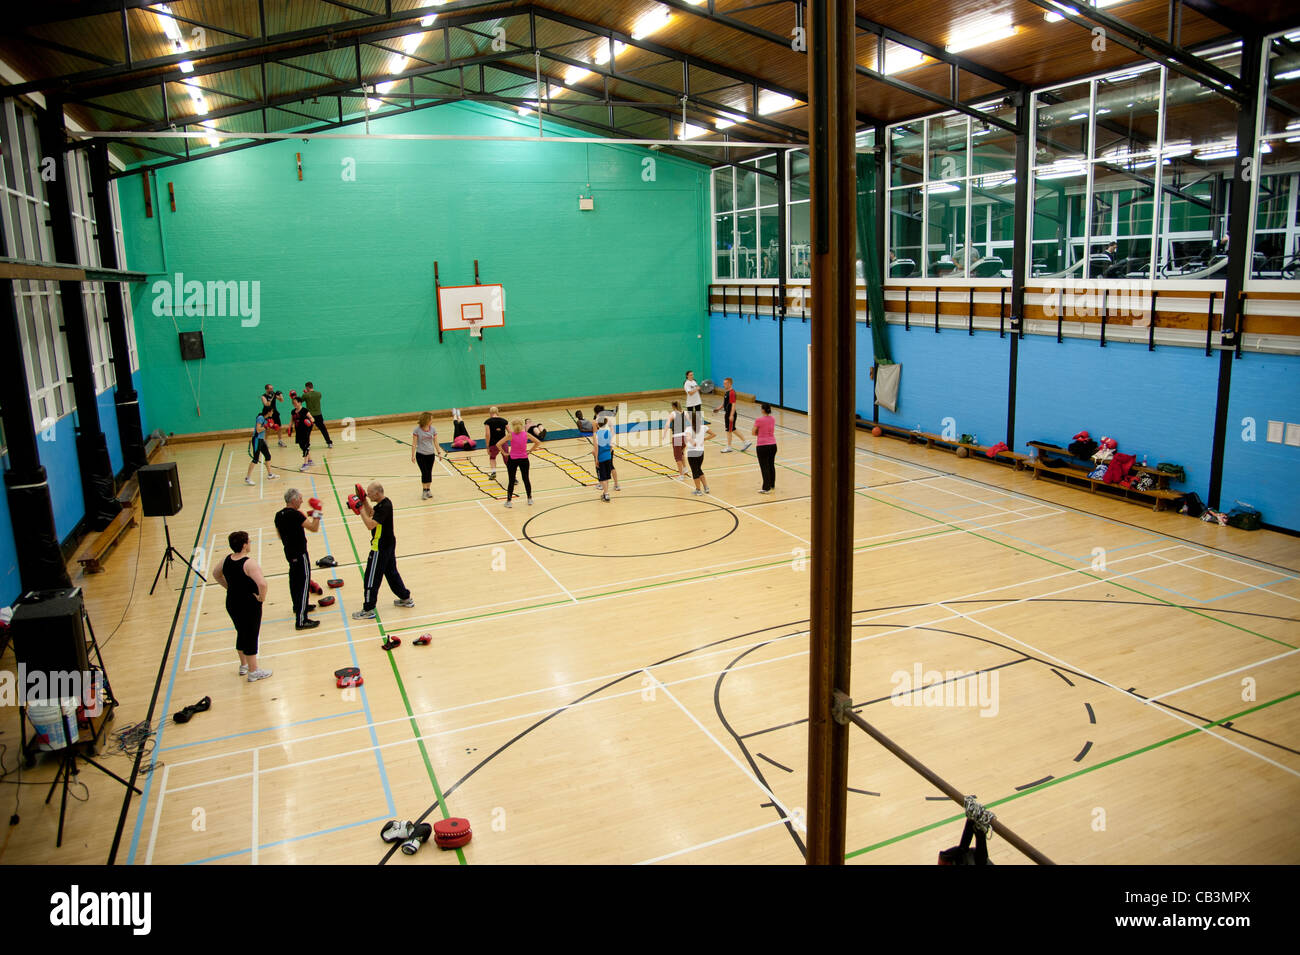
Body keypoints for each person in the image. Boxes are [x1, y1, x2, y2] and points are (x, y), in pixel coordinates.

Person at [210, 530, 272, 682]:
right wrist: (261, 598)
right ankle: (253, 671)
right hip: (248, 604)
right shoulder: (249, 563)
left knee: (241, 631)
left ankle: (244, 665)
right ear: (244, 545)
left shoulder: (226, 559)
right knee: (251, 634)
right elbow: (262, 584)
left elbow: (216, 574)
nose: (250, 543)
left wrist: (229, 587)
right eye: (249, 541)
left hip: (232, 602)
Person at [352, 482, 414, 619]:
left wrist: (359, 508)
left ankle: (368, 610)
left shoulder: (385, 506)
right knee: (391, 573)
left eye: (369, 493)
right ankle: (405, 598)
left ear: (377, 493)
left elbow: (370, 524)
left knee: (371, 578)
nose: (368, 495)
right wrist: (364, 502)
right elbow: (372, 513)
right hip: (388, 544)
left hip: (379, 547)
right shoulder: (384, 503)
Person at [274, 488, 322, 630]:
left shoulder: (278, 515)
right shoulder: (296, 515)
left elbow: (279, 534)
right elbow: (314, 528)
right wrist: (317, 513)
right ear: (293, 500)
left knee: (294, 581)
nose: (302, 500)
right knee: (304, 583)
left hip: (289, 552)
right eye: (300, 498)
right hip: (300, 553)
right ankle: (301, 620)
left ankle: (299, 606)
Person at [499, 419, 541, 507]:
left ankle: (509, 501)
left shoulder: (510, 435)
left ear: (513, 426)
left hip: (512, 459)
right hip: (524, 459)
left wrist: (504, 453)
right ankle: (529, 499)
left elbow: (498, 444)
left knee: (511, 480)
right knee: (526, 479)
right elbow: (538, 442)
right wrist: (530, 451)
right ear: (522, 425)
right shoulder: (526, 434)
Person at [714, 377, 753, 454]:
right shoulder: (727, 392)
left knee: (729, 430)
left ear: (730, 384)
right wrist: (719, 408)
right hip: (727, 413)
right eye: (724, 383)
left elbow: (733, 405)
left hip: (730, 414)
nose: (724, 384)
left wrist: (731, 415)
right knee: (732, 429)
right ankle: (746, 442)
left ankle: (729, 447)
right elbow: (725, 403)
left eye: (725, 383)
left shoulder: (732, 393)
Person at [411, 412, 444, 500]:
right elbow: (414, 443)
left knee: (429, 472)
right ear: (426, 420)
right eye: (431, 419)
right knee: (424, 472)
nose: (432, 421)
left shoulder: (433, 429)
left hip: (430, 454)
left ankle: (428, 489)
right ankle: (424, 490)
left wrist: (439, 453)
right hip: (420, 454)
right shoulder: (417, 430)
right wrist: (412, 455)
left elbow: (435, 442)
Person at [244, 412, 281, 485]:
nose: (272, 413)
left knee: (267, 456)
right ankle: (248, 478)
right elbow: (258, 429)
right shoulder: (260, 418)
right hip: (257, 439)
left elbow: (265, 429)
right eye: (272, 411)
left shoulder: (266, 419)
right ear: (269, 412)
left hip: (261, 440)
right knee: (255, 459)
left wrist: (273, 426)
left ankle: (270, 474)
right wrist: (266, 426)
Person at [684, 419, 716, 496]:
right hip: (701, 452)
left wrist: (692, 442)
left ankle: (698, 490)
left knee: (695, 471)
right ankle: (706, 487)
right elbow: (713, 434)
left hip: (692, 453)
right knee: (698, 469)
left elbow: (689, 440)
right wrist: (704, 439)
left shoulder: (688, 429)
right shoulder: (704, 427)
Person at [753, 403, 778, 493]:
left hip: (762, 445)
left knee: (764, 466)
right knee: (771, 465)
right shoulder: (773, 419)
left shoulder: (759, 420)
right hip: (773, 445)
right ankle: (772, 484)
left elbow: (753, 432)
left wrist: (759, 433)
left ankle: (766, 488)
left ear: (763, 410)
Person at [301, 382, 332, 449]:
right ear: (312, 386)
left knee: (307, 431)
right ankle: (329, 443)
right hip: (319, 414)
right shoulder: (319, 394)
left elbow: (300, 401)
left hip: (310, 415)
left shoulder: (305, 395)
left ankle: (307, 445)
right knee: (323, 429)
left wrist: (305, 394)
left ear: (307, 387)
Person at [662, 400, 688, 480]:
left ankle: (681, 475)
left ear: (673, 406)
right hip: (685, 437)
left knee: (678, 457)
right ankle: (685, 468)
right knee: (681, 453)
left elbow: (667, 424)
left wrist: (664, 434)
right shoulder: (685, 413)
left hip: (677, 437)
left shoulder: (673, 413)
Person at [593, 415, 616, 503]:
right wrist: (608, 453)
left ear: (597, 424)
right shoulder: (608, 432)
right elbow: (611, 446)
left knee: (602, 478)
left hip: (601, 457)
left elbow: (596, 448)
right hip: (608, 457)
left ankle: (606, 494)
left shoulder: (596, 434)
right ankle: (605, 492)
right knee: (606, 476)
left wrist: (596, 459)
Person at [290, 394, 315, 471]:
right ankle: (310, 460)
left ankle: (305, 464)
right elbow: (291, 421)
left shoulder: (304, 410)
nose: (294, 404)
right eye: (293, 403)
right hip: (298, 431)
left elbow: (312, 418)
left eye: (295, 402)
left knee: (306, 446)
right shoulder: (293, 411)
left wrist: (310, 422)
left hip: (305, 431)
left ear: (300, 402)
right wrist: (289, 428)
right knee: (302, 446)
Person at [483, 406, 509, 479]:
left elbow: (487, 434)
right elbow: (510, 433)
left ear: (490, 413)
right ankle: (513, 476)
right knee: (506, 459)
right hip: (503, 443)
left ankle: (494, 472)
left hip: (493, 444)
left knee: (492, 457)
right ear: (497, 412)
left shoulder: (488, 422)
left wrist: (487, 446)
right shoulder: (504, 421)